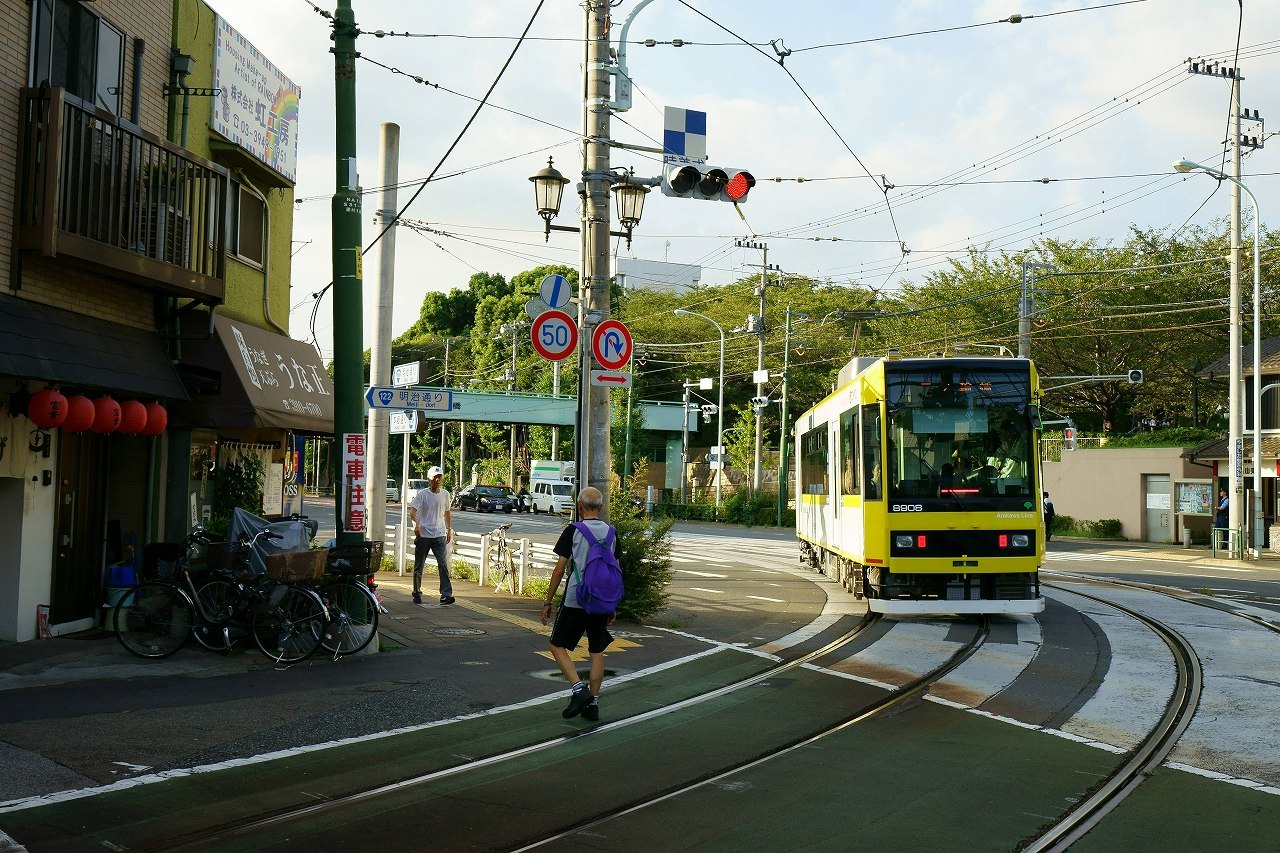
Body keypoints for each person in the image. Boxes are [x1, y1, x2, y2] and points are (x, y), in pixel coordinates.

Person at [540, 486, 619, 722]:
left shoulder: (574, 530)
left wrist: (547, 601)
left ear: (579, 506)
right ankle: (592, 703)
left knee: (556, 645)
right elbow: (615, 571)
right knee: (597, 651)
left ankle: (578, 689)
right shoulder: (611, 533)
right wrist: (612, 604)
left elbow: (559, 569)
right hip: (601, 600)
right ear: (601, 507)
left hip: (576, 598)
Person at [408, 466, 454, 605]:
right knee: (419, 565)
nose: (438, 479)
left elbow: (447, 512)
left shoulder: (445, 494)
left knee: (443, 564)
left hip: (439, 534)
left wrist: (449, 529)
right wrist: (416, 524)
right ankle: (416, 592)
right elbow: (413, 511)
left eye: (440, 476)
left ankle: (446, 595)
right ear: (429, 479)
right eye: (435, 477)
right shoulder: (423, 494)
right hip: (424, 535)